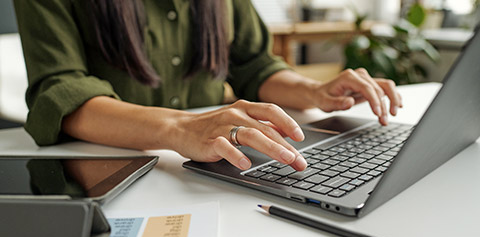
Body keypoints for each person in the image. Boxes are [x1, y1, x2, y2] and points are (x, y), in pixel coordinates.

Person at [14, 0, 402, 172]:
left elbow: (255, 64)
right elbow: (60, 92)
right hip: (106, 169)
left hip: (217, 167)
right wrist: (180, 127)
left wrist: (312, 91)